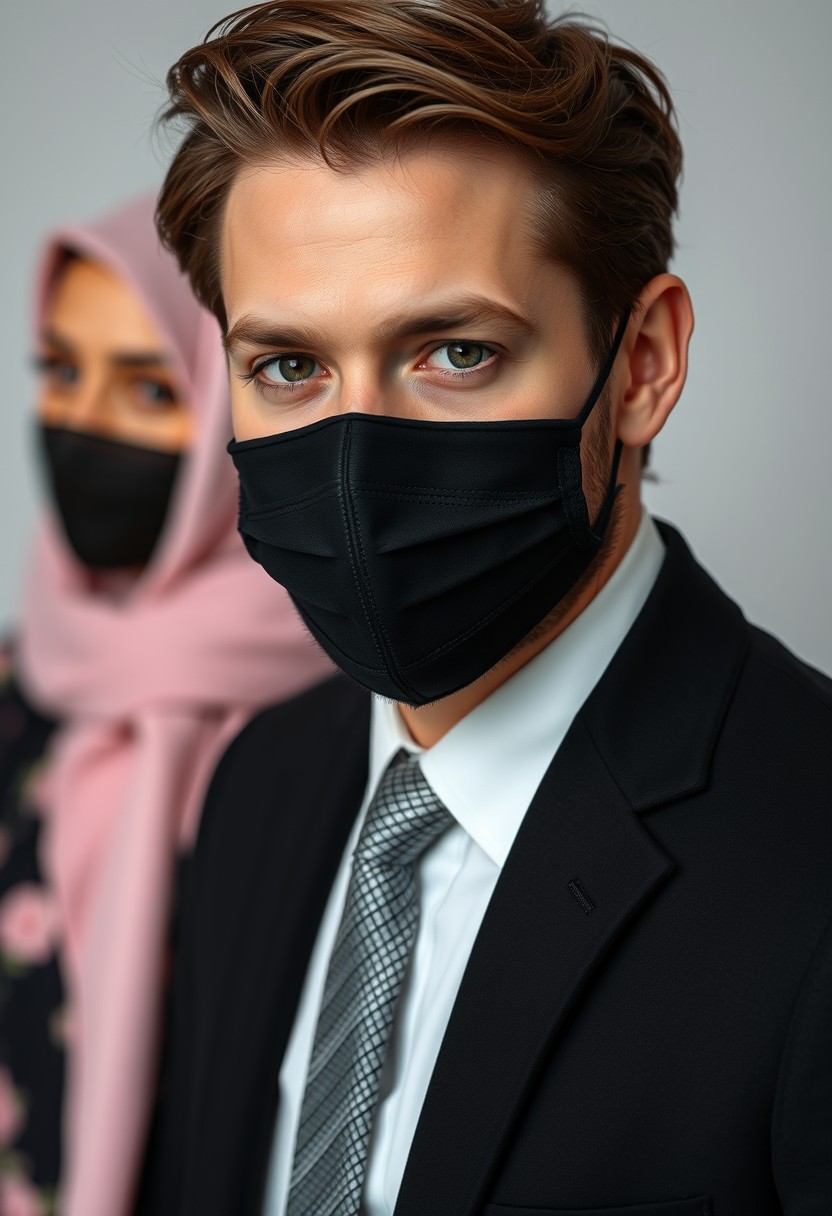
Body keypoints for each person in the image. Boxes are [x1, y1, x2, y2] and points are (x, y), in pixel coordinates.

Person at [138, 3, 832, 1213]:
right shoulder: (259, 781)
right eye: (288, 366)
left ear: (644, 364)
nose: (354, 465)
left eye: (455, 351)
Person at [0, 195, 333, 1216]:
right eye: (60, 373)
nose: (83, 423)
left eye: (148, 387)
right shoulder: (19, 684)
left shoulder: (356, 728)